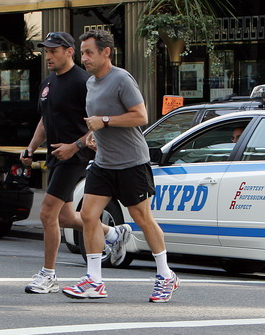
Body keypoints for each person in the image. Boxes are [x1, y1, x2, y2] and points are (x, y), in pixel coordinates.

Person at [62, 30, 179, 303]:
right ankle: (94, 281)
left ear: (106, 52)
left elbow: (141, 115)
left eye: (89, 52)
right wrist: (93, 135)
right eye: (82, 53)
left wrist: (104, 121)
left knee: (142, 218)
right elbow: (97, 123)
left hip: (131, 162)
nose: (84, 58)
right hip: (104, 162)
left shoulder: (121, 79)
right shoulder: (90, 83)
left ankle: (165, 275)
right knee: (89, 215)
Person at [21, 32, 131, 294]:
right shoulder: (48, 84)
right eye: (46, 51)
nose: (48, 56)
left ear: (69, 51)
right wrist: (31, 148)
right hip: (56, 156)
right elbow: (45, 121)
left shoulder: (84, 82)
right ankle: (114, 234)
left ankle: (48, 275)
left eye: (53, 51)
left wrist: (75, 146)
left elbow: (98, 123)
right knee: (66, 217)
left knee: (47, 212)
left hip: (77, 157)